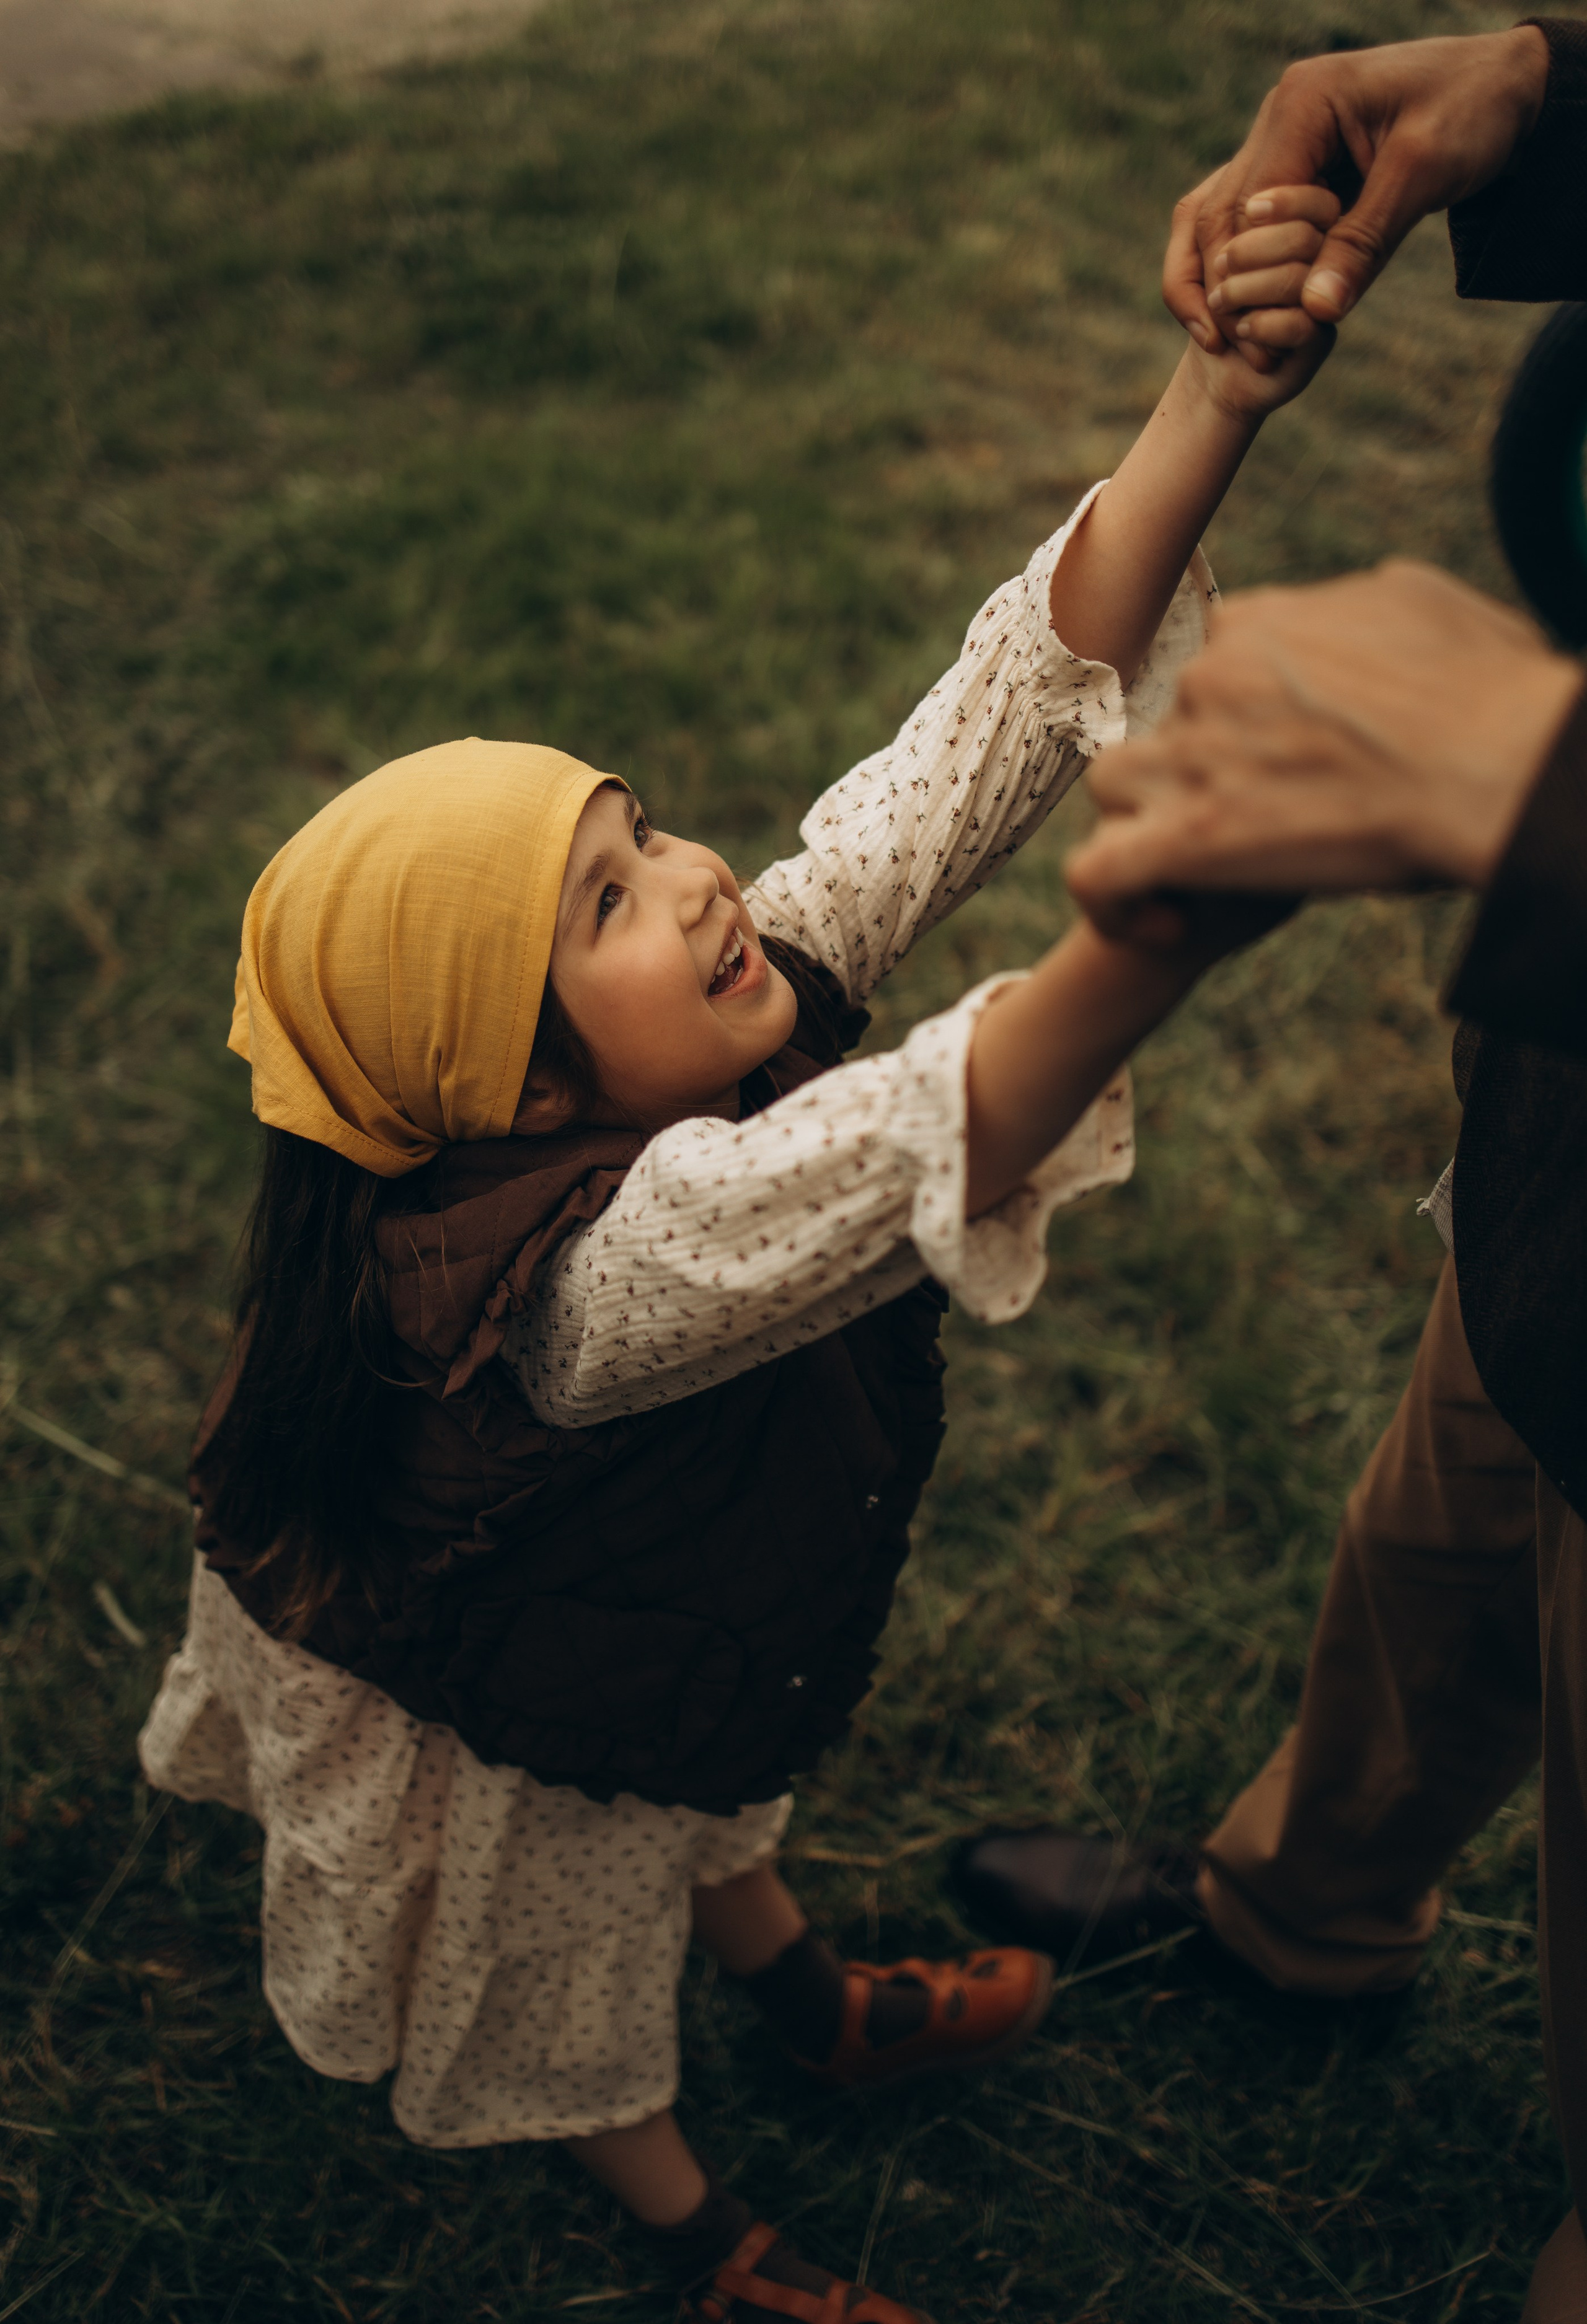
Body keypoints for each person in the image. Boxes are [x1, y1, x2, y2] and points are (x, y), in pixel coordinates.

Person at [134, 238, 1335, 2320]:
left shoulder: (715, 995)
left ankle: (794, 1982)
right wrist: (1172, 916)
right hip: (526, 1694)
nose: (698, 878)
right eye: (610, 899)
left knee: (715, 1769)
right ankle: (700, 2234)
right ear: (510, 1088)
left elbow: (962, 750)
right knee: (580, 1966)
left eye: (650, 829)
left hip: (654, 1605)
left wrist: (1210, 399)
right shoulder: (612, 1278)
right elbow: (926, 1130)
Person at [948, 19, 1587, 2320]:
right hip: (1569, 1142)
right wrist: (1559, 99)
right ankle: (1304, 1914)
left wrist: (1547, 781)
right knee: (1456, 1522)